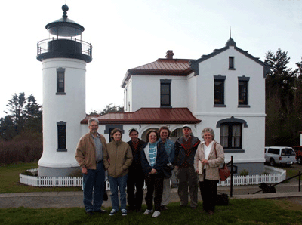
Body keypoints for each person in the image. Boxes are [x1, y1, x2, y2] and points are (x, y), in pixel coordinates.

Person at [75, 118, 107, 215]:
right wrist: (83, 166)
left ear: (98, 126)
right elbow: (78, 154)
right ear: (89, 127)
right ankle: (88, 207)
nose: (94, 127)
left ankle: (97, 207)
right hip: (89, 167)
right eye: (92, 125)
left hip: (100, 166)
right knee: (88, 188)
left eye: (95, 125)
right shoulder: (84, 139)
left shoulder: (102, 138)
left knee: (99, 188)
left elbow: (105, 152)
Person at [104, 128, 133, 216]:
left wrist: (124, 167)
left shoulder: (125, 146)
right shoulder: (108, 146)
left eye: (119, 135)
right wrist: (108, 167)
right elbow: (104, 158)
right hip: (111, 173)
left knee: (123, 192)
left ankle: (123, 208)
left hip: (123, 173)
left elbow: (129, 158)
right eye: (116, 134)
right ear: (112, 135)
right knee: (113, 192)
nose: (117, 136)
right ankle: (114, 208)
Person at [195, 128, 224, 215]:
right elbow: (196, 158)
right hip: (202, 171)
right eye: (206, 135)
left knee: (211, 191)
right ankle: (205, 207)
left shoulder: (217, 146)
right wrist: (197, 167)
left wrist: (209, 162)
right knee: (203, 191)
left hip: (212, 172)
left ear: (212, 136)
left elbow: (221, 159)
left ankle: (211, 209)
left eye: (209, 135)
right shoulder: (200, 145)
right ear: (203, 136)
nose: (207, 136)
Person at [141, 129, 169, 218]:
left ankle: (157, 209)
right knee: (149, 192)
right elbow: (143, 160)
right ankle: (149, 208)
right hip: (148, 173)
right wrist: (149, 169)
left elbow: (163, 159)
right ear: (148, 137)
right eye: (150, 136)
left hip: (158, 172)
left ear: (156, 137)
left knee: (158, 192)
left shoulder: (160, 146)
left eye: (154, 136)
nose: (152, 137)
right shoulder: (144, 147)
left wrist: (156, 169)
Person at [174, 124, 200, 209]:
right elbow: (175, 153)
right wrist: (176, 164)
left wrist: (198, 166)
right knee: (182, 186)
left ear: (190, 131)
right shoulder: (178, 141)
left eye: (188, 129)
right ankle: (183, 202)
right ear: (183, 131)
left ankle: (193, 203)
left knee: (193, 185)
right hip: (181, 166)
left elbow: (199, 154)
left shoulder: (196, 141)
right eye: (185, 129)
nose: (186, 131)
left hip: (192, 166)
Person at [127, 128, 146, 212]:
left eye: (135, 134)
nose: (134, 136)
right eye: (132, 135)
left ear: (137, 135)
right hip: (130, 170)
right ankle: (131, 206)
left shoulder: (143, 144)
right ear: (130, 135)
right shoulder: (127, 145)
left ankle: (138, 206)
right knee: (130, 189)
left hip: (140, 170)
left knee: (139, 189)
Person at [158, 126, 174, 211]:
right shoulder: (156, 142)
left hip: (166, 168)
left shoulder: (171, 143)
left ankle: (164, 204)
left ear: (168, 134)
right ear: (159, 133)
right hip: (157, 168)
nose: (164, 134)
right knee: (157, 187)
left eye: (166, 133)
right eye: (162, 132)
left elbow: (172, 155)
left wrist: (170, 164)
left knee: (166, 187)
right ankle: (157, 203)